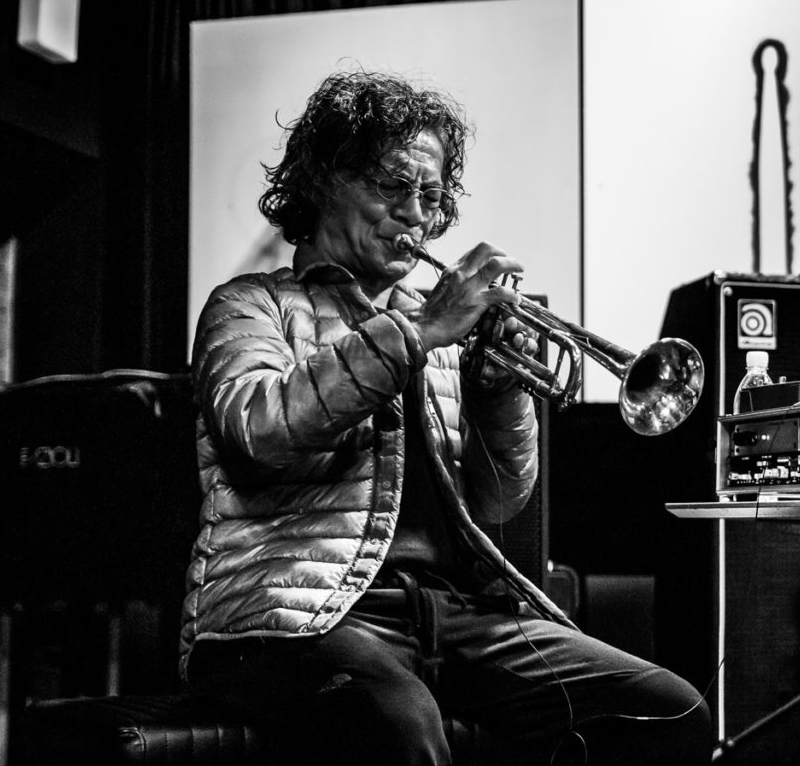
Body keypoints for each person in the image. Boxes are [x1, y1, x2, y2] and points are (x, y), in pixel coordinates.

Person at [180, 69, 711, 765]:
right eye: (393, 187)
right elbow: (261, 434)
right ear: (319, 181)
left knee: (671, 714)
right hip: (287, 621)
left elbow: (496, 501)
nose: (416, 216)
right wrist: (419, 332)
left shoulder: (433, 330)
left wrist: (497, 392)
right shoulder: (249, 306)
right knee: (400, 727)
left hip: (450, 616)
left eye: (430, 196)